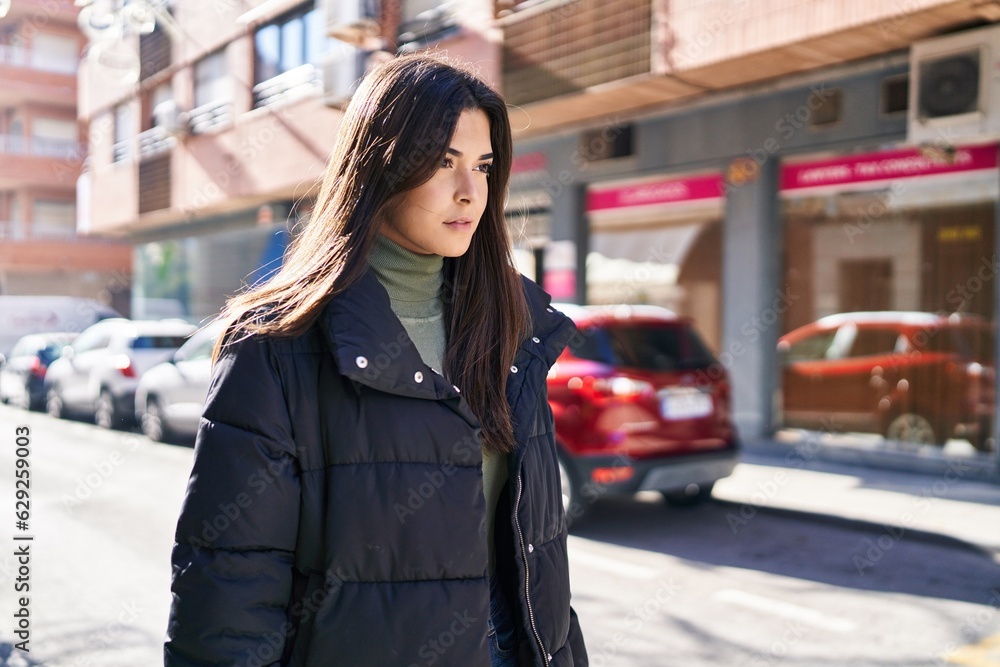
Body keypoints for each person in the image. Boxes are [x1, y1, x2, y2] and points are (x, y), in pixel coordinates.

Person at [164, 53, 588, 667]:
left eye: (484, 166)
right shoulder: (277, 348)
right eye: (444, 163)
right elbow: (228, 598)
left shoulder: (515, 332)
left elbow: (542, 568)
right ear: (381, 167)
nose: (471, 191)